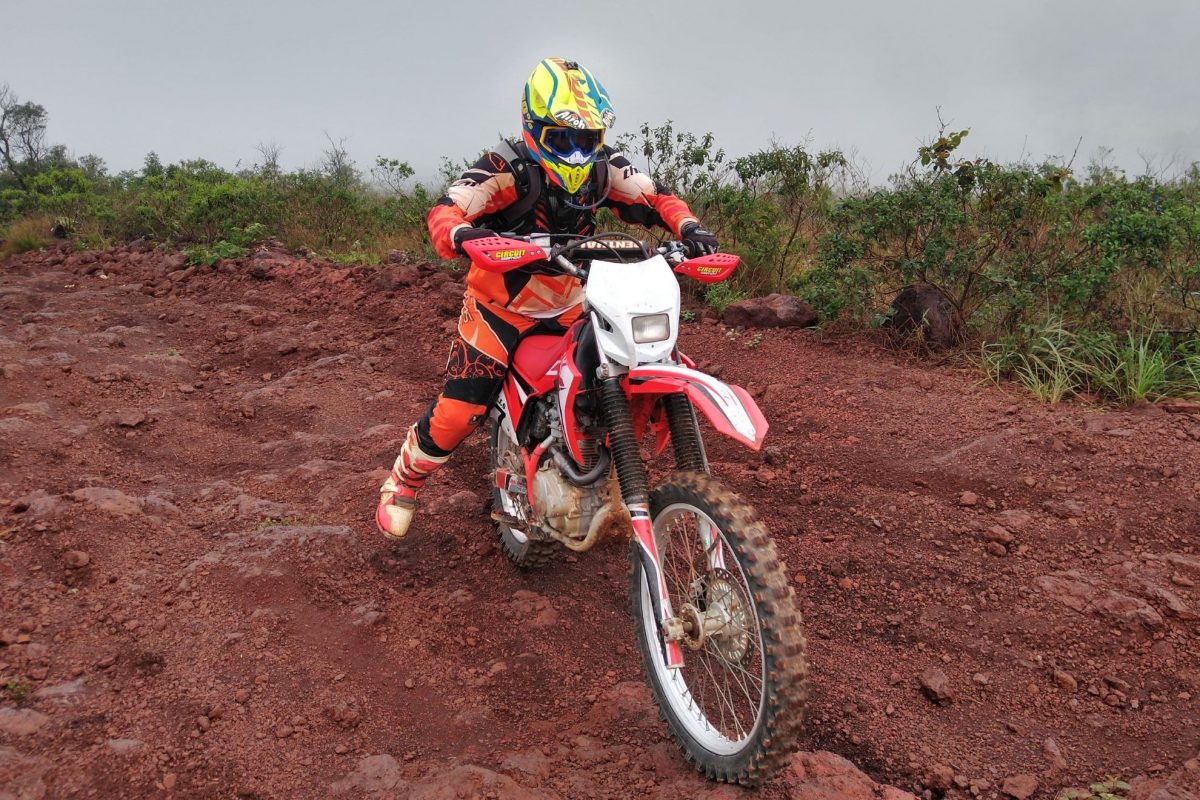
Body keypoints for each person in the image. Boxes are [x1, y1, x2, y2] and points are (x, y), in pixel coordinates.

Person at [375, 56, 719, 539]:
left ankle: (595, 466)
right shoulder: (505, 167)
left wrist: (690, 228)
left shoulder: (605, 168)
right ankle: (405, 481)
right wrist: (463, 234)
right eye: (562, 140)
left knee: (628, 369)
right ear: (533, 128)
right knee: (461, 411)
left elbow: (654, 196)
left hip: (576, 301)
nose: (577, 153)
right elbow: (448, 209)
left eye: (587, 140)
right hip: (500, 310)